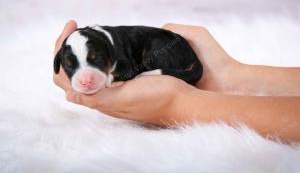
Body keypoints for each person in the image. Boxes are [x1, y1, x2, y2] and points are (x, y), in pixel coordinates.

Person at [53, 20, 300, 142]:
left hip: (169, 54)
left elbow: (126, 68)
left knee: (147, 57)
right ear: (60, 63)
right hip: (171, 56)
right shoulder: (100, 43)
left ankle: (168, 70)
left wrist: (177, 104)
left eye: (96, 61)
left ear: (108, 53)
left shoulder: (116, 48)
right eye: (72, 66)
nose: (84, 79)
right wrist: (230, 77)